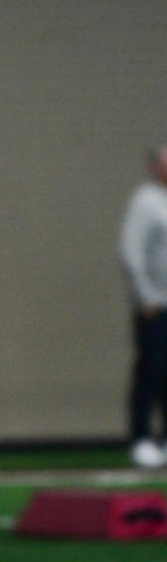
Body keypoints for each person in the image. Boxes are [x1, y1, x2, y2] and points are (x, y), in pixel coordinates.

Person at [120, 145, 167, 469]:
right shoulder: (146, 202)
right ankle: (141, 438)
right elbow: (131, 251)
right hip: (157, 305)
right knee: (152, 370)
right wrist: (145, 296)